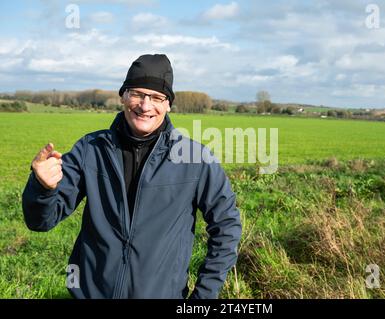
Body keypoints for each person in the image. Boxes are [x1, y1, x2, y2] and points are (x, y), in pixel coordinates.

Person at [22, 54, 242, 299]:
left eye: (157, 97)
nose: (145, 106)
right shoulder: (90, 149)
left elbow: (226, 227)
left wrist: (204, 296)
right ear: (123, 96)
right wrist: (42, 187)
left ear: (168, 104)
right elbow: (41, 222)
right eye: (137, 94)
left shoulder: (195, 159)